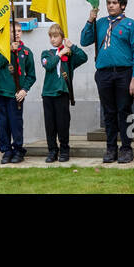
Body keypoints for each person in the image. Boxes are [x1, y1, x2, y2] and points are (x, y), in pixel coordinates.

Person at [80, 0, 134, 164]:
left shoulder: (131, 25)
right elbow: (84, 40)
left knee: (125, 111)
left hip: (124, 73)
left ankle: (126, 148)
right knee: (108, 113)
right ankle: (111, 148)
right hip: (104, 74)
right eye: (109, 2)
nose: (111, 5)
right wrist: (90, 20)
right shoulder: (100, 23)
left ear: (122, 6)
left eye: (114, 3)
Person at [40, 22, 88, 162]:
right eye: (51, 37)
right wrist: (60, 54)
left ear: (62, 37)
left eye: (55, 36)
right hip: (48, 93)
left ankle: (64, 150)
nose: (53, 39)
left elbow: (83, 57)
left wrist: (71, 46)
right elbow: (48, 65)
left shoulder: (70, 55)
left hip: (62, 93)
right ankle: (52, 151)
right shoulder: (46, 53)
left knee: (62, 123)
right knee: (50, 125)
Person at [0, 22, 35, 164]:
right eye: (13, 31)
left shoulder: (26, 52)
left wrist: (24, 90)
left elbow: (31, 75)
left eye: (19, 31)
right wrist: (9, 50)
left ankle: (18, 150)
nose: (16, 33)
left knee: (15, 123)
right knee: (3, 123)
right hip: (2, 92)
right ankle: (6, 151)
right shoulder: (1, 49)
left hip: (16, 94)